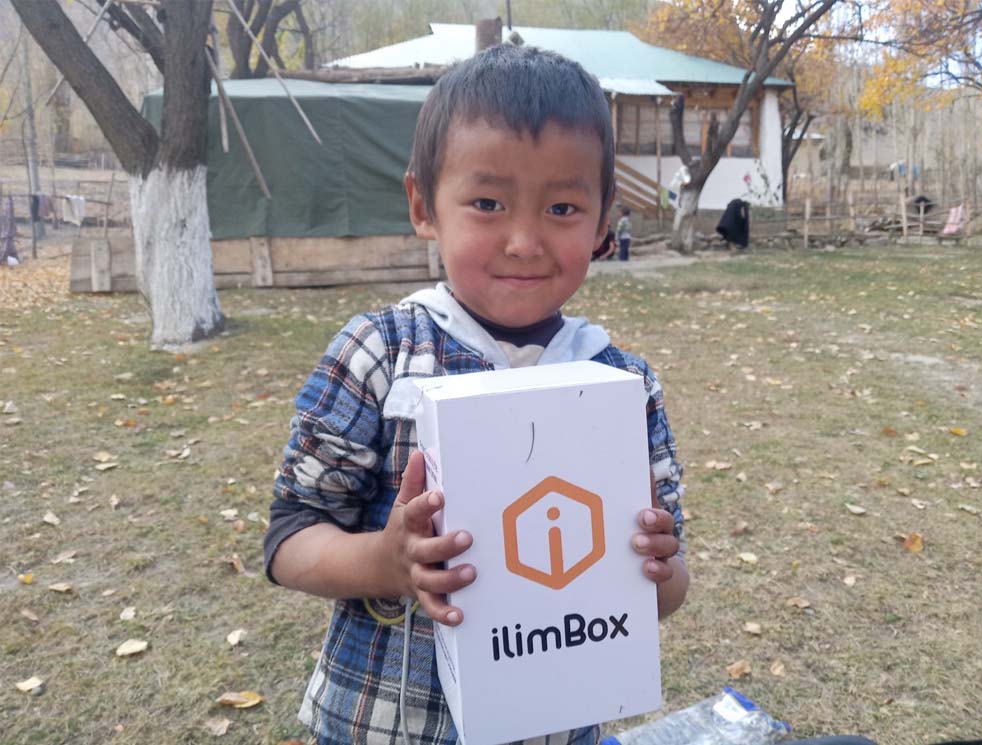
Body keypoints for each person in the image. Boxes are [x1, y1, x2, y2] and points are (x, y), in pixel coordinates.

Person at [264, 44, 688, 745]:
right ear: (423, 205)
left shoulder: (620, 384)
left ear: (604, 222)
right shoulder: (382, 352)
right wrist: (388, 562)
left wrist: (656, 564)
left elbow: (667, 592)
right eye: (487, 202)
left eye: (562, 206)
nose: (524, 241)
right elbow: (288, 540)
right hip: (382, 724)